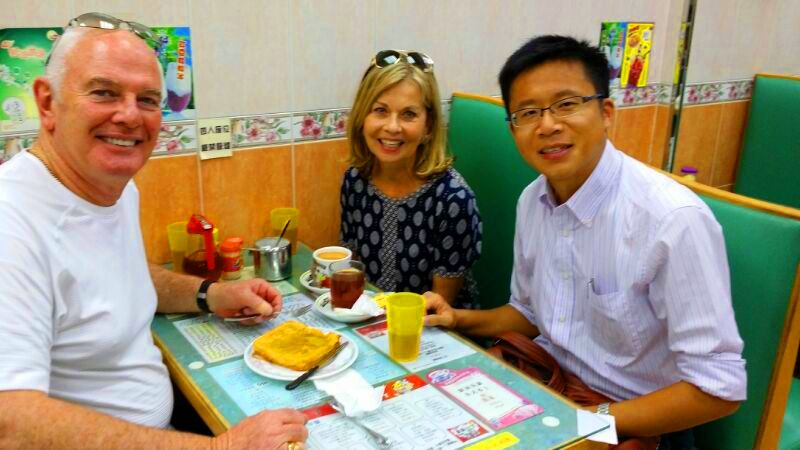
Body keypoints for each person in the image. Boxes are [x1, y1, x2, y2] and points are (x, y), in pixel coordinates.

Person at [0, 13, 307, 450]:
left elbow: (120, 279)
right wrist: (223, 448)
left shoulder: (115, 187)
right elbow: (10, 423)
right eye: (104, 92)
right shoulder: (12, 223)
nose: (129, 116)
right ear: (47, 103)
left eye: (147, 100)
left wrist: (211, 295)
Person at [424, 35, 746, 448]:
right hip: (549, 388)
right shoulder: (534, 200)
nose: (548, 124)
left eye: (566, 104)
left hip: (634, 422)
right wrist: (458, 318)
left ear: (606, 112)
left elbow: (719, 388)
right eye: (528, 112)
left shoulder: (671, 220)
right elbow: (530, 313)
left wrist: (590, 423)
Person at [340, 50, 482, 308]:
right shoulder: (355, 181)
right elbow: (352, 268)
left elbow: (439, 308)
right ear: (362, 117)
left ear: (428, 126)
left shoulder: (453, 199)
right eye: (380, 110)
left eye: (408, 114)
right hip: (371, 320)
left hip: (435, 332)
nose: (392, 127)